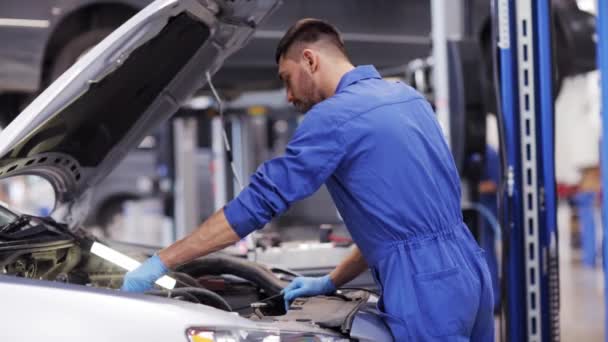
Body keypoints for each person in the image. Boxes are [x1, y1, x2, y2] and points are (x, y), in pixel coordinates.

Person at [121, 18, 494, 341]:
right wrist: (331, 281)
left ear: (310, 60)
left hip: (423, 288)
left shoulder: (333, 117)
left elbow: (257, 205)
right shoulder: (405, 97)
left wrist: (161, 262)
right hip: (471, 271)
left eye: (287, 78)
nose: (288, 95)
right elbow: (396, 229)